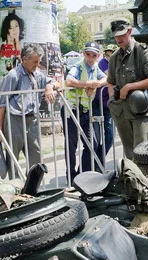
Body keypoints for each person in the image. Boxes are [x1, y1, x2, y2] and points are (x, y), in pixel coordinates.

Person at [0, 43, 60, 179]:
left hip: (33, 120)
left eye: (38, 61)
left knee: (36, 155)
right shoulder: (13, 76)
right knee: (13, 156)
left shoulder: (38, 75)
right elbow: (1, 104)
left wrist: (49, 86)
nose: (37, 64)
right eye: (35, 61)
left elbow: (57, 82)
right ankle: (15, 187)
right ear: (25, 59)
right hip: (15, 120)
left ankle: (31, 186)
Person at [106, 18, 148, 159]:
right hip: (120, 111)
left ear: (129, 31)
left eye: (122, 34)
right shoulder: (113, 57)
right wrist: (112, 100)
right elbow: (110, 81)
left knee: (142, 152)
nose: (118, 38)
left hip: (139, 110)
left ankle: (142, 180)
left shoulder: (142, 51)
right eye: (116, 36)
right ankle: (132, 179)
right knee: (129, 152)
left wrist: (130, 86)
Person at [63, 42, 107, 182]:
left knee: (92, 144)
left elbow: (106, 78)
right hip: (72, 110)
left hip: (85, 111)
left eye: (94, 55)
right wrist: (88, 84)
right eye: (88, 54)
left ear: (98, 56)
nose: (90, 58)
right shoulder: (78, 66)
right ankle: (71, 176)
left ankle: (82, 174)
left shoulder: (95, 68)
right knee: (71, 145)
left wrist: (97, 84)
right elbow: (69, 81)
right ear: (83, 54)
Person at [92, 44, 117, 162]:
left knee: (110, 136)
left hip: (109, 106)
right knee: (95, 137)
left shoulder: (117, 63)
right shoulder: (102, 63)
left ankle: (98, 161)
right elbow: (112, 78)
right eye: (107, 54)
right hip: (96, 104)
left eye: (112, 53)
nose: (109, 56)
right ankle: (94, 163)